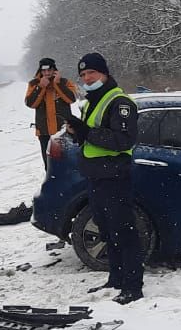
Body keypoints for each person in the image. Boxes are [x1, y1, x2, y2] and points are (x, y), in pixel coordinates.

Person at [66, 52, 144, 305]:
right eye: (83, 75)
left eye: (92, 73)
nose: (87, 78)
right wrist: (77, 132)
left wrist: (86, 131)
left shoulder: (119, 102)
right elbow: (91, 137)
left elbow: (122, 141)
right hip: (96, 177)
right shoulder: (91, 101)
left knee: (124, 231)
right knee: (107, 230)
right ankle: (116, 278)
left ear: (104, 74)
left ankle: (133, 287)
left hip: (114, 177)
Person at [24, 58, 79, 170]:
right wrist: (40, 87)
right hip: (44, 132)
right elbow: (30, 103)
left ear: (54, 70)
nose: (47, 73)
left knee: (68, 163)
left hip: (64, 131)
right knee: (49, 166)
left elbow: (72, 99)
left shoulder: (64, 82)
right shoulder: (33, 84)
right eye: (44, 71)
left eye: (49, 70)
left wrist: (58, 84)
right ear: (40, 71)